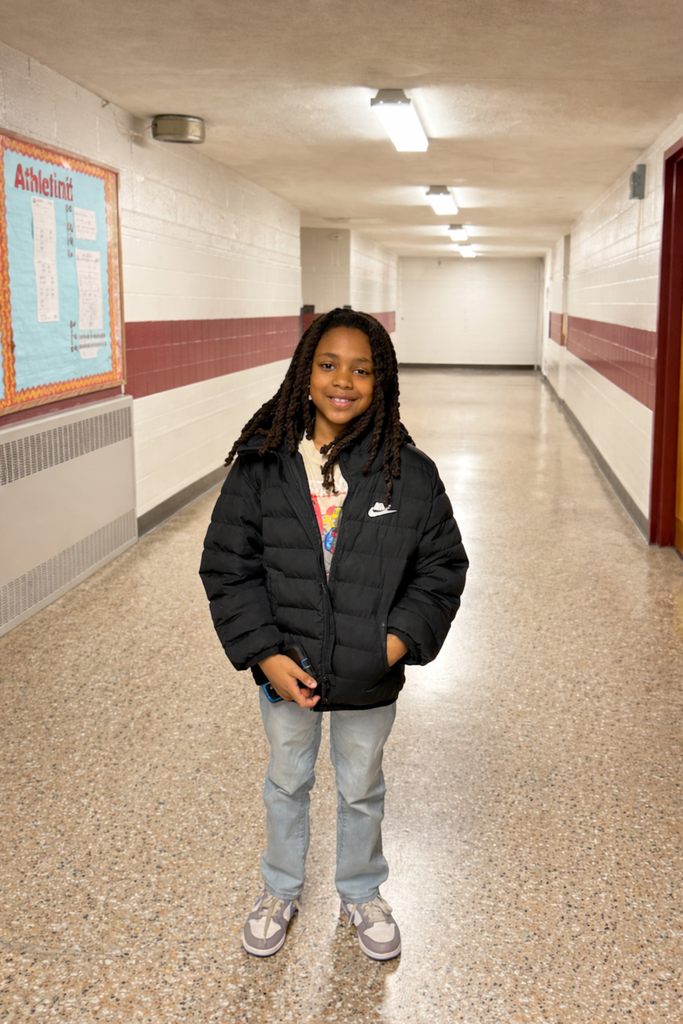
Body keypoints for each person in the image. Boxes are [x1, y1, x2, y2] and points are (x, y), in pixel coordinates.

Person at [199, 308, 468, 961]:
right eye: (327, 365)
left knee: (360, 786)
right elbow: (227, 567)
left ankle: (360, 892)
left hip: (369, 676)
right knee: (287, 779)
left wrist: (391, 646)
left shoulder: (411, 474)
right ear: (304, 372)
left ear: (382, 381)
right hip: (285, 670)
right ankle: (280, 889)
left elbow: (441, 569)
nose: (342, 380)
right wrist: (264, 654)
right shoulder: (261, 466)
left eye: (361, 369)